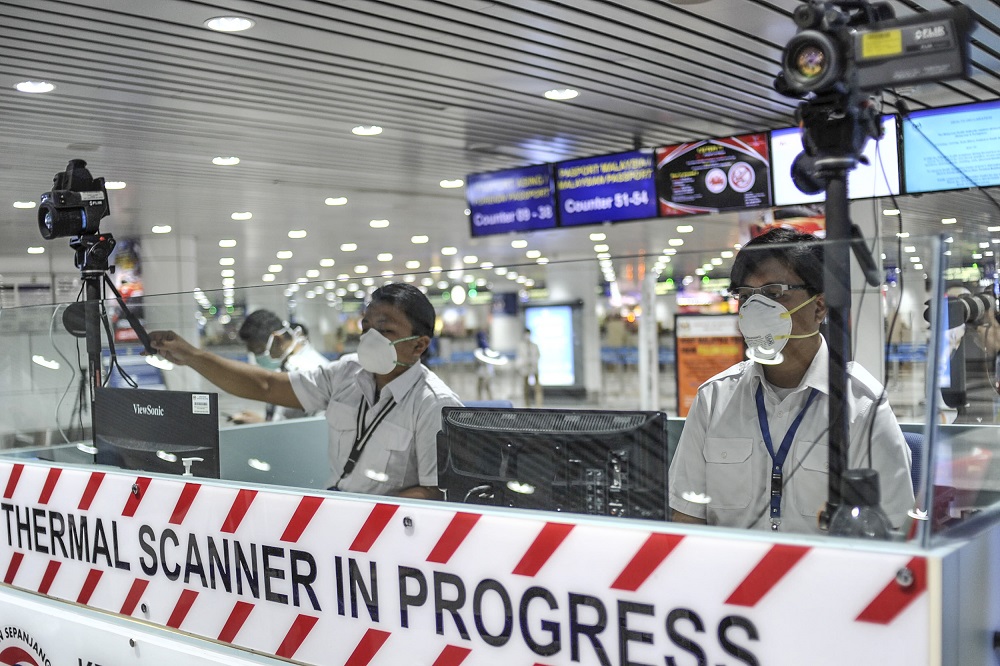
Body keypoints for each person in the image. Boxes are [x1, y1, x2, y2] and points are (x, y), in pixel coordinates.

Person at [668, 228, 915, 534]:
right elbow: (687, 518)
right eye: (745, 296)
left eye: (773, 294)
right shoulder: (714, 399)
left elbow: (895, 528)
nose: (754, 310)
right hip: (731, 575)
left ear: (820, 306)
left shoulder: (862, 405)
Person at [148, 283, 462, 499]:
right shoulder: (346, 373)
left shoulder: (434, 405)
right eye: (366, 327)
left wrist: (368, 518)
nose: (369, 338)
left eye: (385, 330)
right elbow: (267, 385)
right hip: (332, 514)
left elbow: (435, 492)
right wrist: (192, 356)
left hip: (385, 537)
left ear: (419, 344)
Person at [229, 310, 329, 423]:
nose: (258, 358)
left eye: (259, 350)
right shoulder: (287, 367)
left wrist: (263, 426)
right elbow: (288, 418)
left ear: (277, 340)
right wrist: (262, 422)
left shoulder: (310, 372)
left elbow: (318, 429)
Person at [515, 328, 542, 407]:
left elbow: (538, 355)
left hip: (534, 367)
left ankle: (538, 404)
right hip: (525, 368)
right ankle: (527, 404)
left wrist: (533, 361)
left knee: (537, 387)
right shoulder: (521, 346)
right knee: (526, 388)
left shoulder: (534, 346)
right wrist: (523, 363)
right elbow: (519, 357)